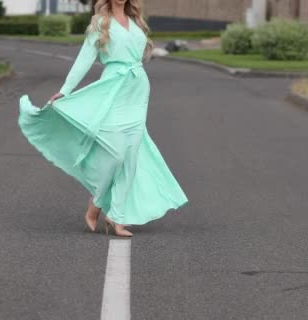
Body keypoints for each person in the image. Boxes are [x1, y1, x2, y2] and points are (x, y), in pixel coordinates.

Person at [18, 0, 188, 237]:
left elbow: (139, 54)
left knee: (131, 158)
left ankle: (116, 218)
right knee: (116, 153)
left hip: (137, 90)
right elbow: (84, 59)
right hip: (113, 89)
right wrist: (66, 90)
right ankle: (96, 203)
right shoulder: (100, 23)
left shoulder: (135, 22)